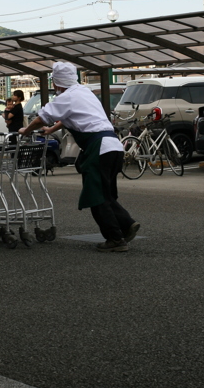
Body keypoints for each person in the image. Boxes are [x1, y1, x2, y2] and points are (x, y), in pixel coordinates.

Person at [20, 62, 139, 252]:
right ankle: (127, 224)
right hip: (114, 146)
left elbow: (41, 118)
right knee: (106, 193)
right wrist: (51, 129)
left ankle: (115, 239)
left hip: (99, 148)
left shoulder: (65, 97)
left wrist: (26, 131)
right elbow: (69, 116)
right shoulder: (84, 92)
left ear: (57, 83)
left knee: (95, 196)